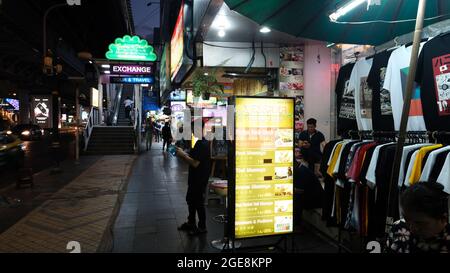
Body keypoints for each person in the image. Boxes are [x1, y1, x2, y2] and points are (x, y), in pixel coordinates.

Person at [386, 182, 450, 253]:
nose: (412, 229)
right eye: (407, 220)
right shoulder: (398, 227)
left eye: (419, 223)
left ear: (443, 219)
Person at [176, 120, 211, 236]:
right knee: (191, 200)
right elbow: (193, 158)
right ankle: (191, 222)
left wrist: (182, 156)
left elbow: (195, 163)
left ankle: (202, 227)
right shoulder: (197, 143)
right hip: (194, 177)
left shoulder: (202, 144)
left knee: (198, 202)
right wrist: (184, 153)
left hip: (199, 179)